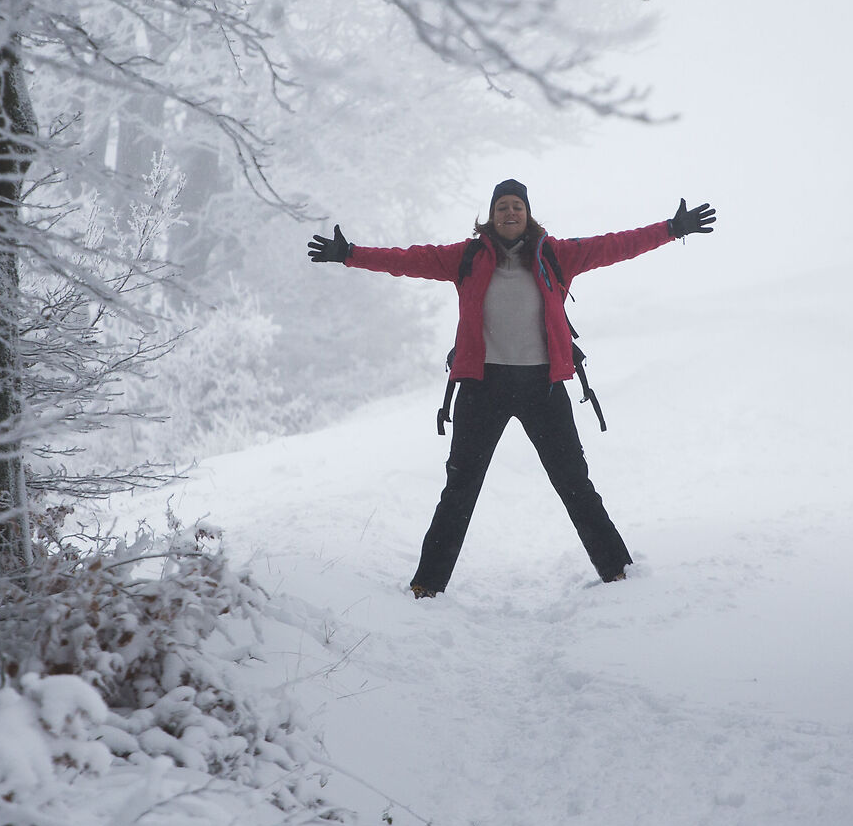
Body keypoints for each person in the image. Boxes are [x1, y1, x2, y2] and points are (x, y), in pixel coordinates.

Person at [307, 180, 717, 597]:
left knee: (575, 483)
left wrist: (671, 228)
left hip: (543, 386)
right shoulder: (465, 257)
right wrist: (350, 254)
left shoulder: (555, 254)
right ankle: (426, 586)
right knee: (460, 489)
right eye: (502, 207)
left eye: (516, 207)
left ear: (528, 213)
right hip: (484, 387)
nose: (509, 213)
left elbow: (617, 245)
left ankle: (618, 573)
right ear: (490, 215)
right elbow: (408, 260)